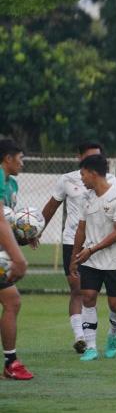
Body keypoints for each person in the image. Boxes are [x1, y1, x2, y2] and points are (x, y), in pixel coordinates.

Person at [41, 141, 116, 355]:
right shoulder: (66, 179)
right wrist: (36, 231)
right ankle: (80, 338)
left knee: (98, 296)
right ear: (79, 157)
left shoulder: (111, 180)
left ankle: (109, 332)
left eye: (98, 157)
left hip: (98, 243)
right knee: (78, 290)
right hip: (72, 241)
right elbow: (52, 206)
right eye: (89, 157)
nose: (94, 161)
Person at [71, 154, 116, 363]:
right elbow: (81, 229)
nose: (82, 179)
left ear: (93, 173)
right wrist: (74, 257)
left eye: (83, 174)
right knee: (88, 298)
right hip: (90, 260)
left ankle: (113, 334)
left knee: (115, 305)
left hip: (115, 261)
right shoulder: (85, 198)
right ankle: (91, 347)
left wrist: (92, 249)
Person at [0, 139, 32, 379]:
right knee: (12, 301)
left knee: (12, 301)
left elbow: (7, 221)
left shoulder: (11, 184)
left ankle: (11, 362)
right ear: (8, 158)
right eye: (20, 158)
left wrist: (25, 233)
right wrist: (18, 258)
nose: (22, 163)